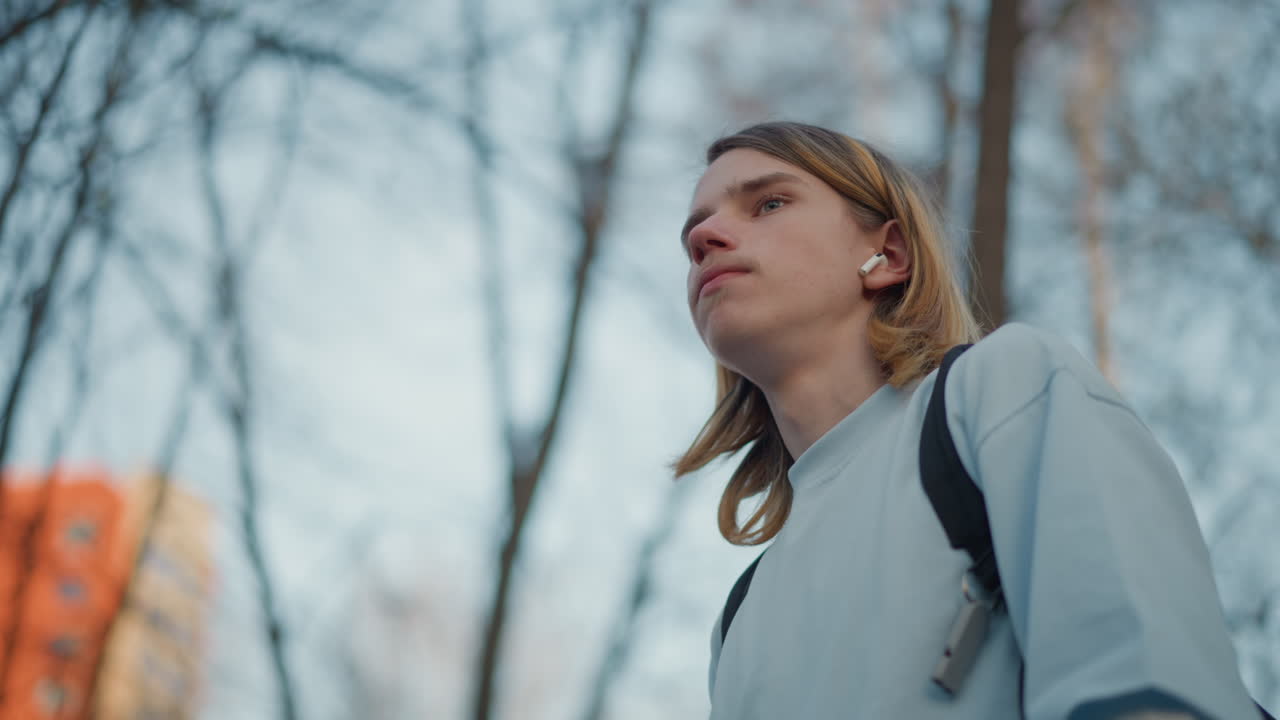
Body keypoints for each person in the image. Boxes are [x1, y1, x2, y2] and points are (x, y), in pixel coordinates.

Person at [672, 121, 1259, 719]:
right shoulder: (738, 620)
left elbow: (1143, 677)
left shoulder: (1002, 388)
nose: (705, 238)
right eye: (694, 231)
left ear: (887, 255)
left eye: (768, 203)